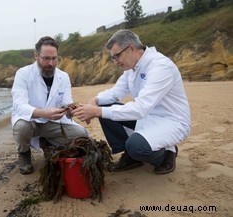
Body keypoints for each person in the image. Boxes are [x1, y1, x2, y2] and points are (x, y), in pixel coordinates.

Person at [72, 30, 191, 174]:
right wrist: (94, 101)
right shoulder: (131, 68)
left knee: (136, 146)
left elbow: (141, 108)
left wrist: (96, 111)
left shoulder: (160, 66)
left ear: (131, 48)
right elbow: (116, 92)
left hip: (170, 120)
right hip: (146, 116)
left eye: (117, 56)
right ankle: (131, 156)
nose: (115, 62)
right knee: (103, 106)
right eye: (113, 58)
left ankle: (166, 154)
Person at [11, 36, 88, 175]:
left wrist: (70, 110)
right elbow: (19, 106)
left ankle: (48, 142)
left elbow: (66, 101)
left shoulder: (63, 76)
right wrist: (43, 113)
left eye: (54, 58)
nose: (51, 63)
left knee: (81, 135)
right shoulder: (23, 74)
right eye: (46, 58)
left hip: (52, 123)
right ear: (36, 55)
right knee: (21, 127)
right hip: (31, 122)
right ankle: (24, 154)